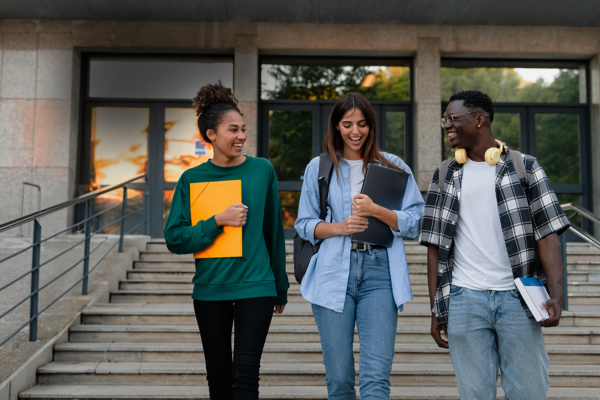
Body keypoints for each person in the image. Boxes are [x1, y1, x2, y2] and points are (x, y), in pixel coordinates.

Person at [420, 90, 570, 399]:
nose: (446, 125)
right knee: (474, 394)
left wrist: (556, 295)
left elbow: (547, 233)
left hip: (518, 299)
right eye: (444, 119)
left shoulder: (524, 167)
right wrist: (436, 308)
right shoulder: (444, 174)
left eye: (453, 119)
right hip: (463, 299)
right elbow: (434, 245)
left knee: (529, 392)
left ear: (479, 120)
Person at [295, 92, 424, 400]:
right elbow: (303, 224)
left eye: (362, 124)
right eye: (348, 124)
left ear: (371, 126)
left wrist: (376, 211)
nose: (356, 131)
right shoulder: (319, 167)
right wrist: (340, 227)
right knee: (339, 380)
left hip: (380, 272)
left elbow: (417, 220)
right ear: (336, 126)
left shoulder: (393, 165)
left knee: (376, 380)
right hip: (331, 271)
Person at [164, 82, 289, 400]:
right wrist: (216, 222)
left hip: (256, 286)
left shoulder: (262, 170)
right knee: (218, 380)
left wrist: (280, 285)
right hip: (210, 290)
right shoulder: (192, 179)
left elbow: (273, 231)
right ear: (211, 135)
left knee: (246, 379)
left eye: (243, 129)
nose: (241, 136)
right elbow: (175, 238)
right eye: (233, 130)